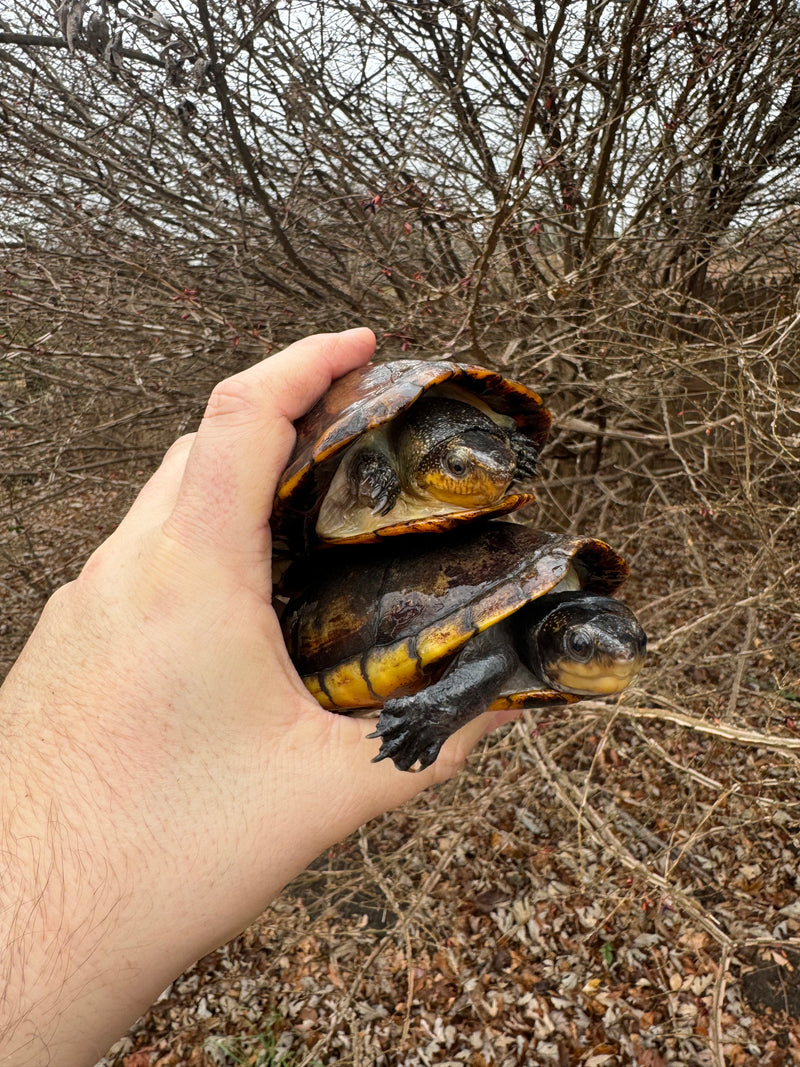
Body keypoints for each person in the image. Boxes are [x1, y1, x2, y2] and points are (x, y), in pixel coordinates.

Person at [0, 329, 518, 1067]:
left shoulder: (478, 459)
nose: (489, 474)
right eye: (463, 462)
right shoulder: (365, 477)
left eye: (497, 458)